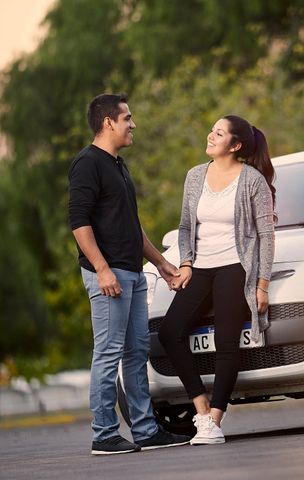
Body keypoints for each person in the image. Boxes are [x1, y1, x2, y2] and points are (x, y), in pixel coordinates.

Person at [68, 93, 191, 455]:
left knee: (136, 352)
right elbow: (79, 222)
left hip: (133, 273)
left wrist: (161, 263)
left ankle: (145, 430)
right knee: (108, 353)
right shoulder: (87, 164)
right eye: (127, 118)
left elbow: (131, 227)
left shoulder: (118, 165)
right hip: (108, 276)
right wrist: (103, 270)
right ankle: (104, 434)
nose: (133, 124)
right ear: (108, 122)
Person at [158, 114, 276, 445]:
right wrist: (185, 263)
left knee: (226, 342)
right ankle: (201, 408)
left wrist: (261, 284)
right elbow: (184, 226)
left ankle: (215, 421)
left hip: (235, 267)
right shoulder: (195, 175)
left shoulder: (253, 181)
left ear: (235, 145)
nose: (211, 135)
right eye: (212, 130)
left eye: (219, 133)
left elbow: (266, 236)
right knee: (170, 332)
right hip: (201, 267)